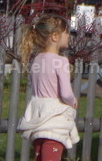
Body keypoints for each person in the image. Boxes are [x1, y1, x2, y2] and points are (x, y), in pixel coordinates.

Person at [18, 14, 80, 160]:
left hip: (38, 117)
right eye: (66, 33)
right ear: (55, 36)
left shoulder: (36, 60)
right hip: (54, 119)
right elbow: (65, 93)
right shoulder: (61, 61)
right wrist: (73, 101)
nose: (68, 36)